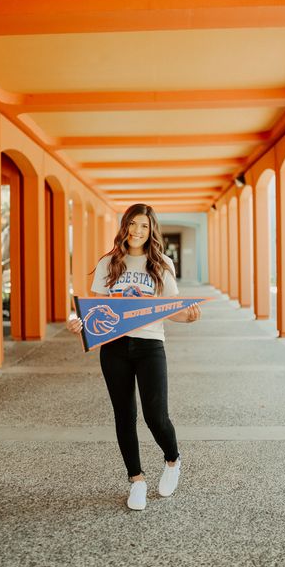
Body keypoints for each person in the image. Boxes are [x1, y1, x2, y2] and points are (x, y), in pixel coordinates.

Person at [67, 203, 201, 511]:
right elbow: (96, 310)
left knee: (156, 416)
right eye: (133, 224)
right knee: (124, 416)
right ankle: (136, 480)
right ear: (124, 226)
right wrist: (80, 324)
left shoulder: (162, 264)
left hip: (150, 345)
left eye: (144, 226)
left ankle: (172, 459)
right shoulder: (109, 262)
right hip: (114, 347)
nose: (137, 231)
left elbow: (171, 311)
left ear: (151, 230)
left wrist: (189, 318)